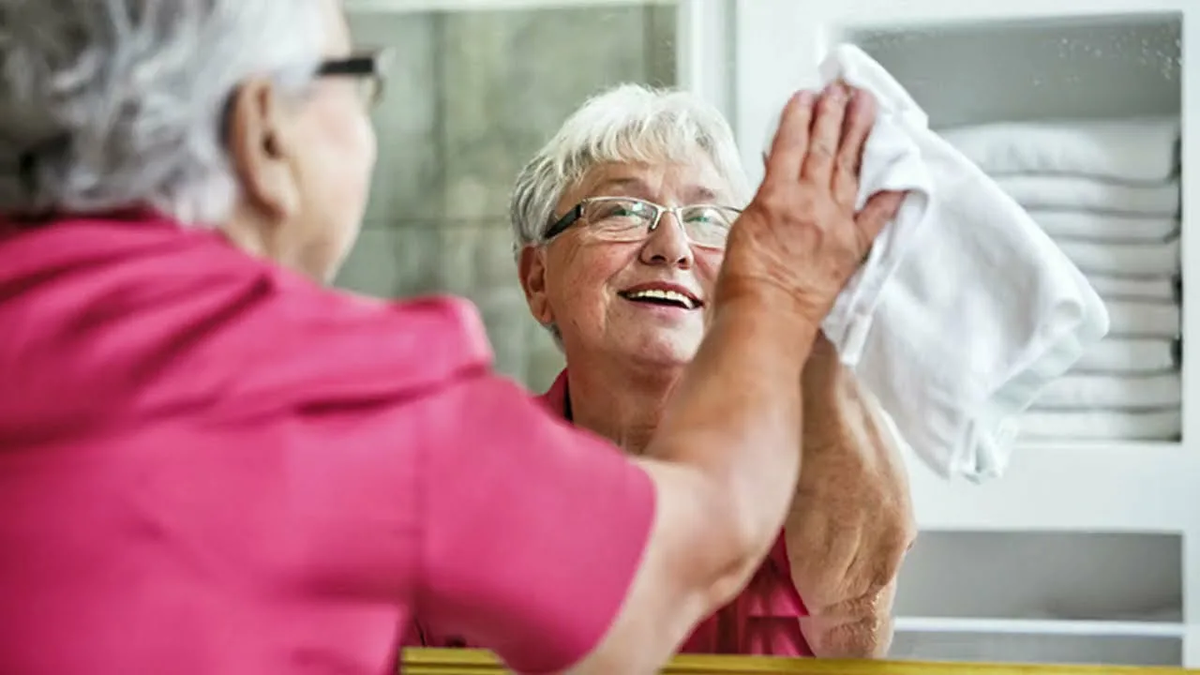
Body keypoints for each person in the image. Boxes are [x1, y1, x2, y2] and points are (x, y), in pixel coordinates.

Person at [0, 2, 902, 674]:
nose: (674, 242)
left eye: (709, 219)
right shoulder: (348, 399)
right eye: (357, 82)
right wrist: (780, 283)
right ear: (264, 134)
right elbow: (681, 556)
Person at [408, 85, 917, 659]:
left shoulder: (809, 454)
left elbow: (855, 618)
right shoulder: (462, 474)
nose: (672, 247)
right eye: (623, 210)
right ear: (537, 280)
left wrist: (802, 309)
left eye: (706, 218)